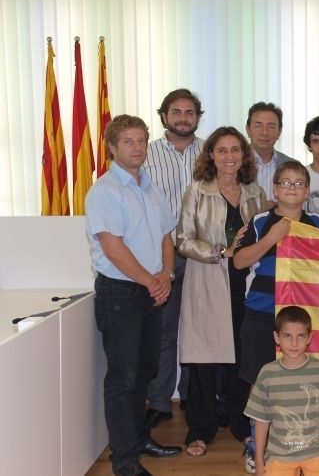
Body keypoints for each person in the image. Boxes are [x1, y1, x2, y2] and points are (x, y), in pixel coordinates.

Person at [85, 114, 182, 476]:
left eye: (141, 140)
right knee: (123, 379)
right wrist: (151, 281)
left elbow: (165, 237)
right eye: (128, 141)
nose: (137, 147)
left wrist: (167, 275)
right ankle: (124, 459)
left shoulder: (151, 187)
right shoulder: (105, 191)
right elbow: (113, 248)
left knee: (146, 370)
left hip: (151, 290)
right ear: (112, 147)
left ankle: (141, 439)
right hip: (121, 294)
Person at [176, 126, 268, 457]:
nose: (229, 156)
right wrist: (220, 251)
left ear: (244, 155)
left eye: (235, 150)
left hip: (245, 284)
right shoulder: (197, 191)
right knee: (205, 360)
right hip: (207, 281)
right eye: (222, 150)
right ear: (211, 155)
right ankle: (200, 430)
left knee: (242, 360)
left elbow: (261, 237)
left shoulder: (255, 192)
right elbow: (183, 240)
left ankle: (242, 426)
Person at [234, 160, 319, 472]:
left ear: (307, 191)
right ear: (274, 189)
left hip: (304, 317)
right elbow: (239, 262)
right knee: (259, 379)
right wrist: (271, 238)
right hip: (262, 312)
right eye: (285, 183)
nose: (292, 188)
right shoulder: (261, 220)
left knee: (303, 380)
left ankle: (309, 442)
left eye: (299, 183)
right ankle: (254, 443)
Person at [141, 88, 204, 427]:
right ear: (164, 115)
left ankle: (195, 399)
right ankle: (161, 401)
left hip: (203, 255)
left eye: (190, 112)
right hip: (161, 255)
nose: (183, 118)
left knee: (198, 330)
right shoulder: (145, 155)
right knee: (163, 332)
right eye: (176, 112)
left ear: (197, 116)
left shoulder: (212, 152)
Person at [244, 305, 319, 476]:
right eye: (287, 336)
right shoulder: (267, 373)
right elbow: (261, 421)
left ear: (310, 338)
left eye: (301, 336)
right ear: (277, 337)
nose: (294, 343)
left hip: (317, 452)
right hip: (279, 454)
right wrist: (259, 462)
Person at [245, 101, 298, 208]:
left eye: (271, 126)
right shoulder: (234, 164)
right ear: (248, 130)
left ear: (279, 132)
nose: (264, 132)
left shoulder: (293, 165)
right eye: (258, 125)